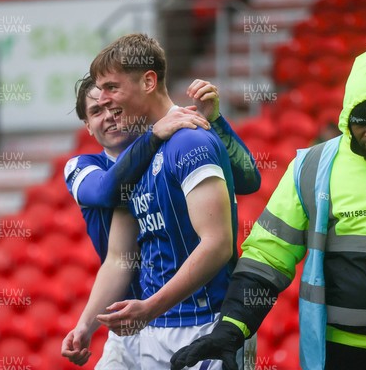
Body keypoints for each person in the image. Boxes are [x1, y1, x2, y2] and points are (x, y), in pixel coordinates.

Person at [170, 46, 366, 370]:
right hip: (339, 357)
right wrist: (232, 327)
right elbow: (269, 255)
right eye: (361, 122)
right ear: (347, 117)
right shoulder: (312, 168)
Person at [62, 71, 261, 368]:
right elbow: (107, 199)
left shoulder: (172, 147)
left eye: (113, 108)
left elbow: (248, 179)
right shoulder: (83, 166)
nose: (108, 117)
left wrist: (215, 121)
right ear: (86, 126)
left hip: (188, 312)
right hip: (131, 319)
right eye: (96, 111)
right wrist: (85, 325)